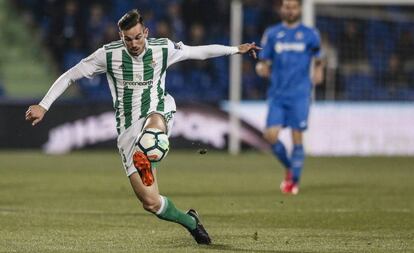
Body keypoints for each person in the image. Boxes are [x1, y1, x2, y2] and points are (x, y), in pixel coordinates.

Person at [25, 9, 259, 245]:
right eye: (128, 39)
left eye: (138, 37)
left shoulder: (163, 48)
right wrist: (44, 106)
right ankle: (190, 221)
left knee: (152, 132)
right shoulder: (107, 55)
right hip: (128, 129)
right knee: (151, 202)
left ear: (145, 32)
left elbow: (197, 52)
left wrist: (235, 49)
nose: (134, 43)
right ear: (121, 37)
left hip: (158, 111)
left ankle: (149, 147)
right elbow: (69, 75)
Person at [255, 0, 324, 195]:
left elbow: (319, 56)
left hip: (300, 94)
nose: (290, 10)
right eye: (287, 7)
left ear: (299, 9)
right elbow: (264, 62)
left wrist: (319, 70)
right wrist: (262, 68)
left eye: (293, 7)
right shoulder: (272, 33)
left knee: (297, 137)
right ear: (282, 9)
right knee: (270, 136)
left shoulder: (310, 34)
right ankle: (290, 167)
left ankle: (293, 181)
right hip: (277, 94)